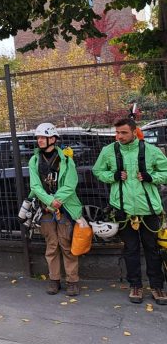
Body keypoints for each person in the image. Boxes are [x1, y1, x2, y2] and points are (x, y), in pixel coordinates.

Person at [93, 117, 167, 305]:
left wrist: (152, 177)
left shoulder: (150, 150)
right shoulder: (108, 151)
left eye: (124, 132)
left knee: (152, 249)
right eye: (117, 133)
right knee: (131, 249)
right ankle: (135, 285)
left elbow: (165, 171)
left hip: (148, 209)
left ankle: (157, 286)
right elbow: (98, 171)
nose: (119, 136)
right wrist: (113, 176)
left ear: (134, 132)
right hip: (123, 210)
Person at [28, 123, 83, 296]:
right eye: (38, 138)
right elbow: (35, 185)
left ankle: (72, 281)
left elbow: (71, 183)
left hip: (65, 208)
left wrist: (58, 200)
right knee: (51, 246)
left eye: (42, 137)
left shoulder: (66, 159)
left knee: (66, 245)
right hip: (46, 210)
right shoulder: (34, 160)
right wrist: (51, 202)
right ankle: (54, 280)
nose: (39, 140)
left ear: (53, 139)